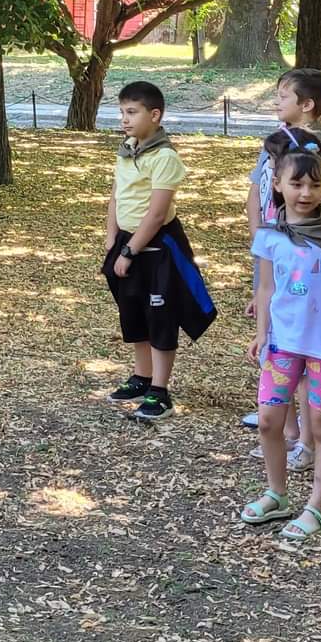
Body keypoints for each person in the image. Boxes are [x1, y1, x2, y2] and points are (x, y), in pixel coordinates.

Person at [240, 150, 321, 545]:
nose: (305, 193)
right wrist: (262, 333)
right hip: (282, 343)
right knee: (269, 420)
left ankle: (316, 507)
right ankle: (277, 493)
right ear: (277, 185)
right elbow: (266, 288)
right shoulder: (269, 235)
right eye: (296, 183)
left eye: (314, 184)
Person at [103, 81, 215, 423]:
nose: (124, 119)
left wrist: (130, 251)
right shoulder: (127, 148)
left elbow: (156, 214)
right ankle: (142, 376)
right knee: (133, 311)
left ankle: (160, 390)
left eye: (132, 112)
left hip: (157, 248)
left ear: (154, 115)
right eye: (122, 112)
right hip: (126, 242)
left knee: (160, 316)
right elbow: (116, 195)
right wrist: (112, 240)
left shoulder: (165, 157)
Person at [241, 68, 321, 448]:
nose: (277, 102)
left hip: (304, 259)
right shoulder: (273, 143)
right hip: (273, 250)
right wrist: (261, 239)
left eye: (284, 96)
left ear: (307, 104)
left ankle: (305, 434)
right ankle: (280, 414)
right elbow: (256, 191)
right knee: (273, 331)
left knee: (301, 338)